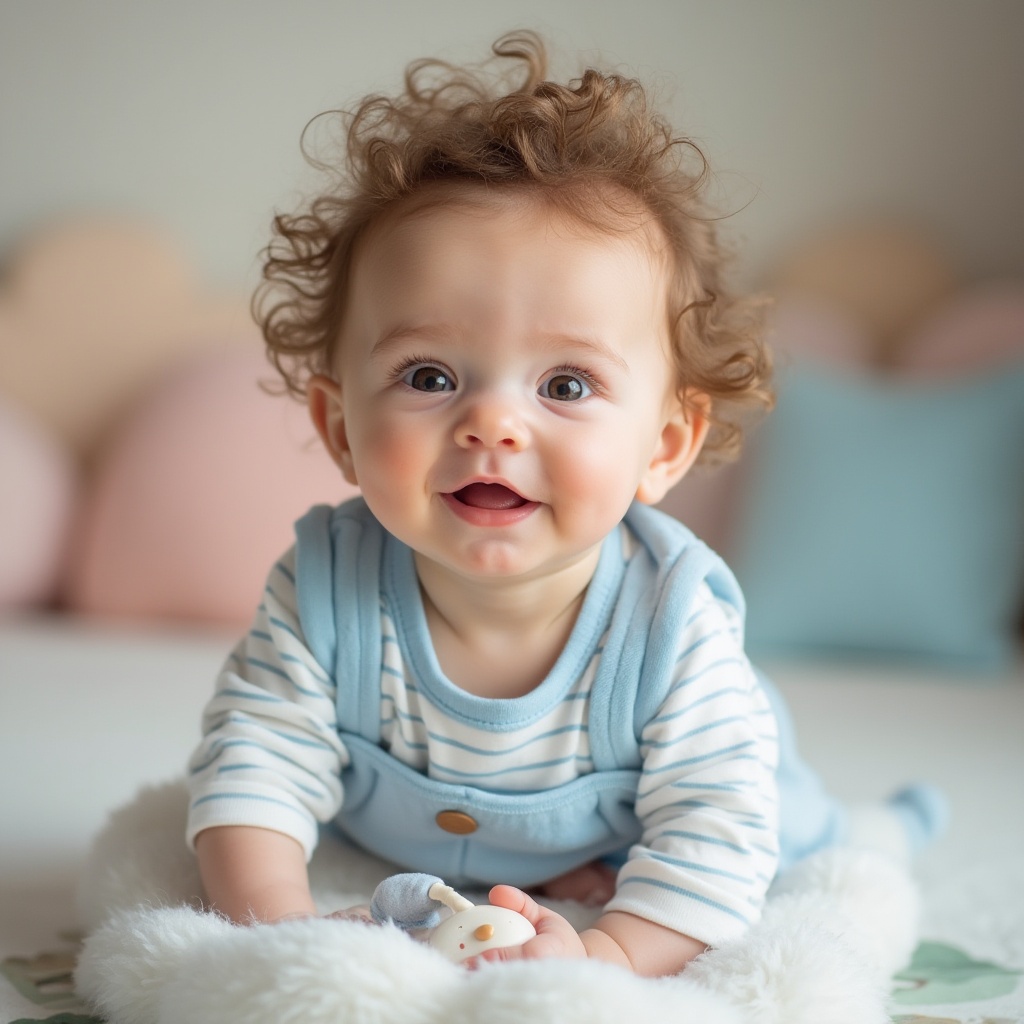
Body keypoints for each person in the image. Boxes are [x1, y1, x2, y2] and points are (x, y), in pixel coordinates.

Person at [186, 32, 944, 977]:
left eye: (567, 385)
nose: (492, 423)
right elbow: (250, 771)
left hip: (711, 808)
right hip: (473, 842)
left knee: (804, 837)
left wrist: (604, 958)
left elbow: (718, 833)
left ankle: (883, 823)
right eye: (428, 373)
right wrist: (283, 932)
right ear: (339, 427)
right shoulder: (324, 589)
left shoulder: (673, 624)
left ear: (665, 446)